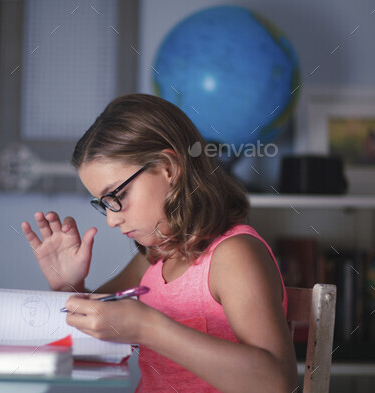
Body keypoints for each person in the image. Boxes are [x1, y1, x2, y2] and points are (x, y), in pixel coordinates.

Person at [21, 94, 297, 393]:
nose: (111, 221)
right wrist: (68, 286)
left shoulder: (234, 255)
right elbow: (94, 331)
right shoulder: (155, 257)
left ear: (168, 168)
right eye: (104, 204)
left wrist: (149, 328)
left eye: (117, 196)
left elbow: (275, 382)